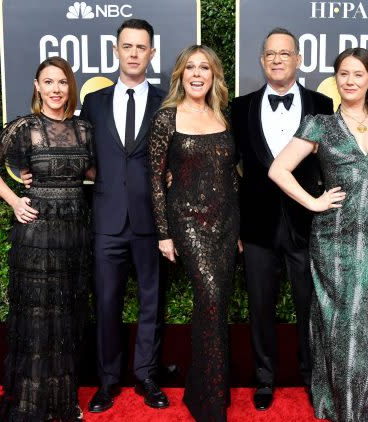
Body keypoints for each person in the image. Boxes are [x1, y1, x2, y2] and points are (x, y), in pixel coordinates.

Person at [269, 47, 368, 422]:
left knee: (364, 311)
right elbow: (278, 170)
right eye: (343, 74)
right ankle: (347, 403)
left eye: (357, 74)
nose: (349, 81)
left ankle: (357, 400)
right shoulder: (319, 125)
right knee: (340, 317)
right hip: (333, 236)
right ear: (336, 79)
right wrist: (313, 202)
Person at [0, 56, 92, 421]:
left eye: (62, 82)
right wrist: (14, 199)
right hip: (38, 234)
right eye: (49, 82)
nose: (56, 89)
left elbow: (95, 172)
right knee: (38, 319)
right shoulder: (24, 127)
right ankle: (30, 403)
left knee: (67, 317)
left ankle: (62, 399)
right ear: (37, 86)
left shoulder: (84, 129)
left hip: (74, 232)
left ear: (69, 87)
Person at [230, 27, 333, 411]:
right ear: (261, 60)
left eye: (285, 53)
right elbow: (228, 170)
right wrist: (235, 225)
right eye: (270, 53)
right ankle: (264, 379)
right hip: (256, 227)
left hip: (307, 224)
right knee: (260, 307)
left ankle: (311, 378)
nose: (277, 59)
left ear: (298, 60)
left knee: (310, 307)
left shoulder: (322, 104)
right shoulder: (240, 108)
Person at [147, 44, 239, 422]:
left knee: (214, 309)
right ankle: (210, 404)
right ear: (180, 75)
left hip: (226, 223)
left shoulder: (222, 116)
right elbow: (155, 178)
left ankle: (204, 388)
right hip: (187, 221)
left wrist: (238, 230)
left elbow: (232, 177)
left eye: (205, 68)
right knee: (211, 299)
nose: (198, 74)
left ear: (214, 75)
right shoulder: (167, 118)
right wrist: (164, 233)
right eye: (191, 68)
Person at [81, 19, 169, 412]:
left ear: (152, 53)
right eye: (127, 46)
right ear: (116, 51)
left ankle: (147, 376)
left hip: (152, 219)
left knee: (153, 301)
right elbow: (80, 155)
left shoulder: (167, 103)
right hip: (107, 220)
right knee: (106, 302)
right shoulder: (94, 103)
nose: (134, 53)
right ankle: (107, 381)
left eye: (141, 47)